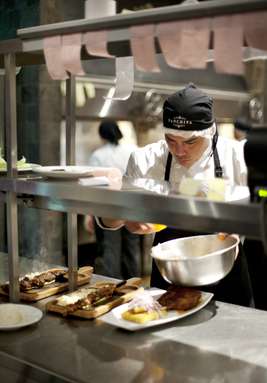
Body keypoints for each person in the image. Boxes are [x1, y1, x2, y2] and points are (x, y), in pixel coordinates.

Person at [98, 83, 253, 307]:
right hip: (171, 273)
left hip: (226, 269)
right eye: (171, 140)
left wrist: (241, 224)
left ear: (210, 131)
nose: (180, 151)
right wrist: (124, 215)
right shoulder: (146, 160)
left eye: (190, 142)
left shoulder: (237, 156)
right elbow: (108, 219)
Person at [88, 120, 140, 280]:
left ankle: (112, 286)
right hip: (131, 205)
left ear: (102, 135)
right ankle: (133, 284)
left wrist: (90, 215)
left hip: (107, 208)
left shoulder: (98, 155)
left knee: (109, 248)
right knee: (131, 248)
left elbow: (92, 186)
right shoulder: (132, 151)